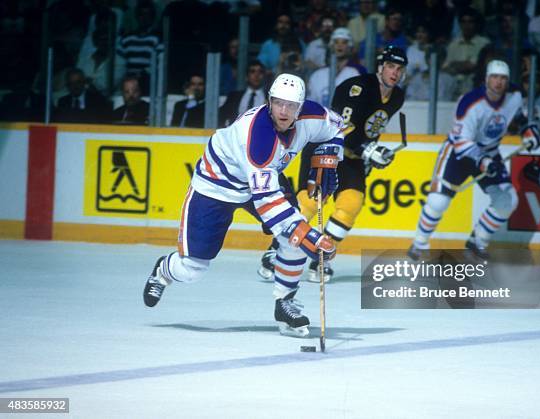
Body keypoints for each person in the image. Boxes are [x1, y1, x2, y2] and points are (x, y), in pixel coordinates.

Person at [143, 73, 345, 338]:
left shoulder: (312, 116)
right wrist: (305, 234)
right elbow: (267, 202)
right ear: (269, 102)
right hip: (216, 186)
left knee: (292, 238)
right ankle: (163, 271)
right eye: (278, 103)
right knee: (192, 269)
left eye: (291, 105)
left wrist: (327, 158)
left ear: (301, 107)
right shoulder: (258, 138)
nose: (283, 111)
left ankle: (285, 303)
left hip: (263, 180)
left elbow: (339, 126)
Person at [258, 46, 407, 282]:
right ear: (380, 67)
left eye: (399, 68)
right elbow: (340, 129)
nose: (395, 72)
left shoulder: (397, 96)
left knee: (351, 203)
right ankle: (276, 249)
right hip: (324, 146)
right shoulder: (356, 88)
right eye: (390, 66)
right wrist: (368, 149)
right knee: (309, 202)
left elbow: (371, 129)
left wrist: (372, 151)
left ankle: (321, 257)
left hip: (353, 157)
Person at [407, 60, 540, 259]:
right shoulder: (470, 102)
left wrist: (528, 130)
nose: (498, 83)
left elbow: (518, 116)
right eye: (495, 77)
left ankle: (478, 240)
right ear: (486, 79)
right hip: (458, 153)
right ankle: (419, 244)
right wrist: (484, 161)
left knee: (507, 201)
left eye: (503, 78)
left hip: (489, 151)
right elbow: (461, 141)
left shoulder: (514, 95)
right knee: (438, 201)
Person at [306, 27, 366, 107]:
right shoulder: (318, 74)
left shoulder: (358, 71)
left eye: (344, 42)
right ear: (331, 45)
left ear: (350, 46)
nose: (339, 45)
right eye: (336, 42)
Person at [218, 61, 266, 128]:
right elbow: (221, 117)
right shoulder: (234, 96)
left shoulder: (269, 98)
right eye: (252, 71)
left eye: (260, 72)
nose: (256, 75)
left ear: (264, 76)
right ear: (246, 76)